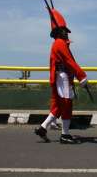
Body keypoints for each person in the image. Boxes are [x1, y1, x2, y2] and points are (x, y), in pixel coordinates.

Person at [35, 8, 88, 144]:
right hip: (63, 77)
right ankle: (65, 135)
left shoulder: (60, 43)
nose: (67, 33)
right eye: (64, 30)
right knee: (66, 104)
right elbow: (70, 62)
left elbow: (69, 61)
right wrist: (81, 76)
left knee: (58, 106)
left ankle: (42, 128)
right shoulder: (59, 43)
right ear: (59, 31)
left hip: (62, 76)